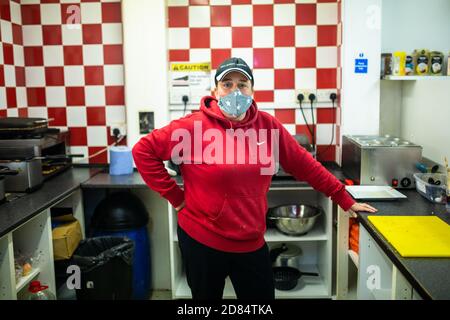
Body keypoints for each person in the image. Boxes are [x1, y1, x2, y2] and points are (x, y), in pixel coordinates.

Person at [132, 57, 377, 300]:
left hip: (250, 240)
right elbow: (143, 151)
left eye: (242, 84)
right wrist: (175, 196)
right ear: (215, 91)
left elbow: (305, 165)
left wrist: (342, 197)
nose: (235, 91)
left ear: (252, 90)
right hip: (202, 239)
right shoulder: (192, 127)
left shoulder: (267, 127)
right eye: (227, 84)